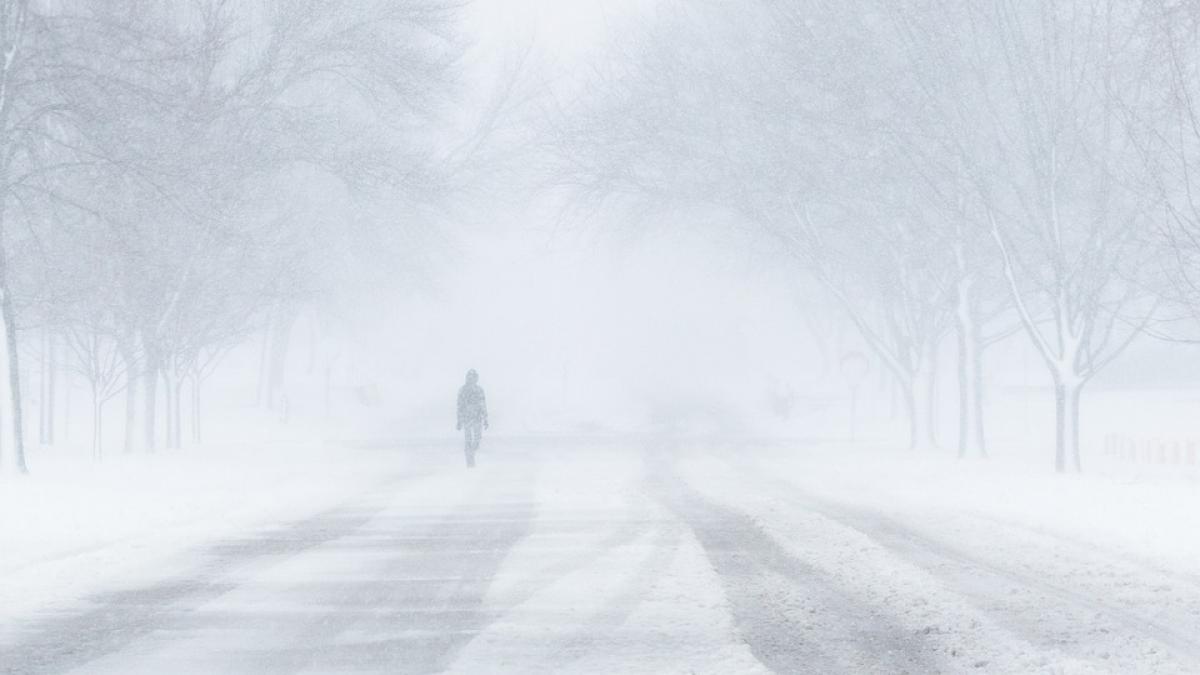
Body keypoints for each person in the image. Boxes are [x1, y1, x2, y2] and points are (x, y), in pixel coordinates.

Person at [456, 369, 488, 467]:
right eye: (469, 377)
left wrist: (485, 419)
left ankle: (471, 455)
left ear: (476, 378)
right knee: (468, 440)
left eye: (473, 377)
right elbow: (459, 405)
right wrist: (459, 420)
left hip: (477, 418)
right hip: (467, 418)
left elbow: (483, 404)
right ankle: (470, 462)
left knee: (477, 440)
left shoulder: (479, 390)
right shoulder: (463, 390)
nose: (471, 379)